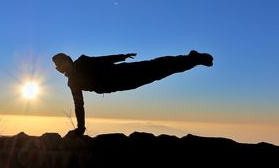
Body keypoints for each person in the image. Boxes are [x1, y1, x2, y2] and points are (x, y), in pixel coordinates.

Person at [52, 50, 213, 136]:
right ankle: (191, 59)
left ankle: (191, 58)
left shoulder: (82, 61)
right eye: (58, 66)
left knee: (156, 66)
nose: (61, 67)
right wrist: (81, 128)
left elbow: (103, 60)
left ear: (68, 59)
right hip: (122, 84)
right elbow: (79, 105)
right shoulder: (72, 83)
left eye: (61, 62)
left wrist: (122, 56)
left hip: (122, 72)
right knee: (157, 72)